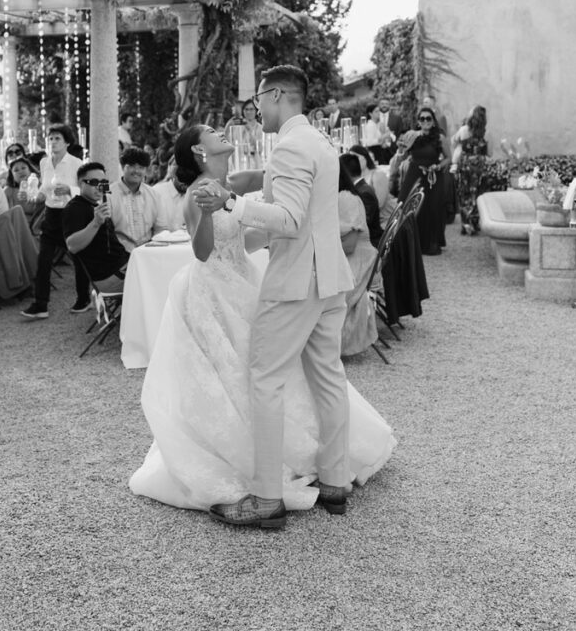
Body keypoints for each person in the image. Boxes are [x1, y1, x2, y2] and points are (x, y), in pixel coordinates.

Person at [130, 107, 396, 527]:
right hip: (214, 287)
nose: (224, 130)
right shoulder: (197, 193)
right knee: (243, 372)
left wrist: (257, 205)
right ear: (200, 150)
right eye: (216, 130)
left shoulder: (229, 183)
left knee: (268, 370)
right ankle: (289, 471)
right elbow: (203, 252)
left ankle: (285, 475)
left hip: (246, 279)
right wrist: (206, 215)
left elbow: (263, 192)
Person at [193, 63, 383, 527]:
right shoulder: (318, 141)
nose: (256, 110)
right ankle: (335, 481)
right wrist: (253, 201)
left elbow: (292, 219)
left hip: (297, 282)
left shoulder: (290, 148)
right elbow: (307, 208)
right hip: (328, 279)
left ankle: (265, 499)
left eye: (258, 101)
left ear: (276, 95)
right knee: (328, 377)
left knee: (265, 379)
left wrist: (232, 204)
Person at [21, 124, 88, 319]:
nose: (53, 142)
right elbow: (43, 190)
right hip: (51, 215)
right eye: (50, 138)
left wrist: (70, 190)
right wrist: (33, 197)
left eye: (57, 138)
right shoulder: (44, 163)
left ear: (67, 142)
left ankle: (84, 298)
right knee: (43, 260)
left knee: (79, 259)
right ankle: (40, 304)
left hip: (71, 215)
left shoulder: (77, 163)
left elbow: (99, 187)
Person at [62, 162, 129, 294]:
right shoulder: (75, 208)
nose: (100, 187)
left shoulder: (93, 205)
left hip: (122, 266)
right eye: (93, 182)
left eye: (103, 182)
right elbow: (72, 246)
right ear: (81, 183)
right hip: (111, 275)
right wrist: (96, 222)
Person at [337, 154, 379, 357]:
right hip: (349, 259)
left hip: (358, 263)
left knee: (320, 289)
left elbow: (350, 245)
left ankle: (321, 347)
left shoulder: (346, 198)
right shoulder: (341, 196)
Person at [398, 106, 450, 255]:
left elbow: (448, 158)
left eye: (428, 118)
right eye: (422, 118)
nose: (425, 121)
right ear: (418, 122)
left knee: (432, 209)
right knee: (407, 206)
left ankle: (431, 242)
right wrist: (401, 150)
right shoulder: (412, 136)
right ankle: (410, 244)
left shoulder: (440, 138)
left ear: (433, 121)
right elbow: (402, 154)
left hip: (432, 177)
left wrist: (438, 166)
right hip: (414, 175)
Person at [109, 146, 158, 252]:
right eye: (131, 166)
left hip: (148, 252)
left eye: (141, 167)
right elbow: (107, 232)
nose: (136, 171)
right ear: (122, 167)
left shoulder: (153, 194)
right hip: (119, 254)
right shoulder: (109, 194)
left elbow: (160, 228)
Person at [451, 105, 488, 234]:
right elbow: (490, 153)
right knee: (477, 193)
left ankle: (466, 223)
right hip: (479, 165)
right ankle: (474, 222)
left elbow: (454, 142)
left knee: (464, 193)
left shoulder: (463, 130)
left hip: (465, 164)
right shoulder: (486, 133)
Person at [349, 144, 397, 228]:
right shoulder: (357, 178)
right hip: (371, 218)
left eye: (356, 158)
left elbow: (379, 204)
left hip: (386, 220)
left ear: (365, 158)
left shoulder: (378, 175)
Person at [343, 151, 383, 249]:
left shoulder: (364, 193)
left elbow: (363, 223)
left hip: (370, 243)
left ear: (346, 173)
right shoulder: (362, 188)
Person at [4, 156, 44, 224]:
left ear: (30, 170)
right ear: (12, 176)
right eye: (16, 170)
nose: (20, 171)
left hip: (37, 227)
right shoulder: (8, 191)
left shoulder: (41, 187)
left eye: (23, 168)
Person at [152, 160, 187, 232]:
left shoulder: (192, 195)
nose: (186, 182)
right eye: (182, 177)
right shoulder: (156, 192)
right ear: (174, 175)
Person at [240, 98, 264, 163]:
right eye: (246, 109)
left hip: (257, 161)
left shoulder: (261, 128)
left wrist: (250, 131)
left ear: (256, 111)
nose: (248, 112)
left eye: (251, 109)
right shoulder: (238, 128)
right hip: (242, 160)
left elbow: (260, 148)